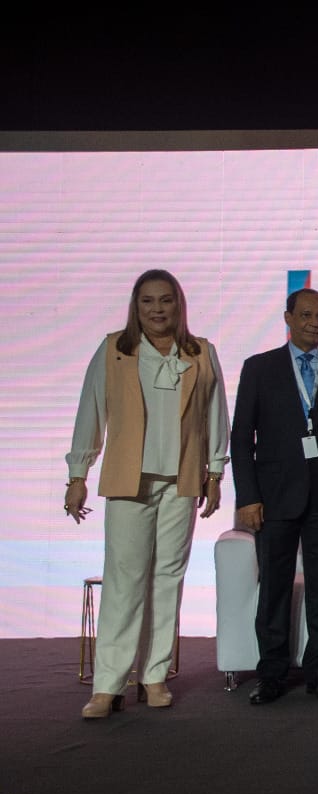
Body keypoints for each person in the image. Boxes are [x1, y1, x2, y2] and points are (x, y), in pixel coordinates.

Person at [64, 270, 228, 719]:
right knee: (123, 579)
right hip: (128, 481)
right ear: (136, 308)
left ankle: (154, 676)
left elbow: (215, 417)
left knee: (167, 577)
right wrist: (78, 474)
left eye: (166, 301)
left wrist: (215, 473)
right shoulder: (116, 349)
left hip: (181, 481)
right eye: (148, 302)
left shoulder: (201, 353)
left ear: (180, 305)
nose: (157, 310)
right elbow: (90, 410)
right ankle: (107, 685)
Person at [231, 288, 318, 704]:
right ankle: (270, 675)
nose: (314, 322)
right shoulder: (259, 368)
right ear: (287, 318)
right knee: (273, 589)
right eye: (306, 315)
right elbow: (241, 438)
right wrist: (247, 496)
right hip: (272, 500)